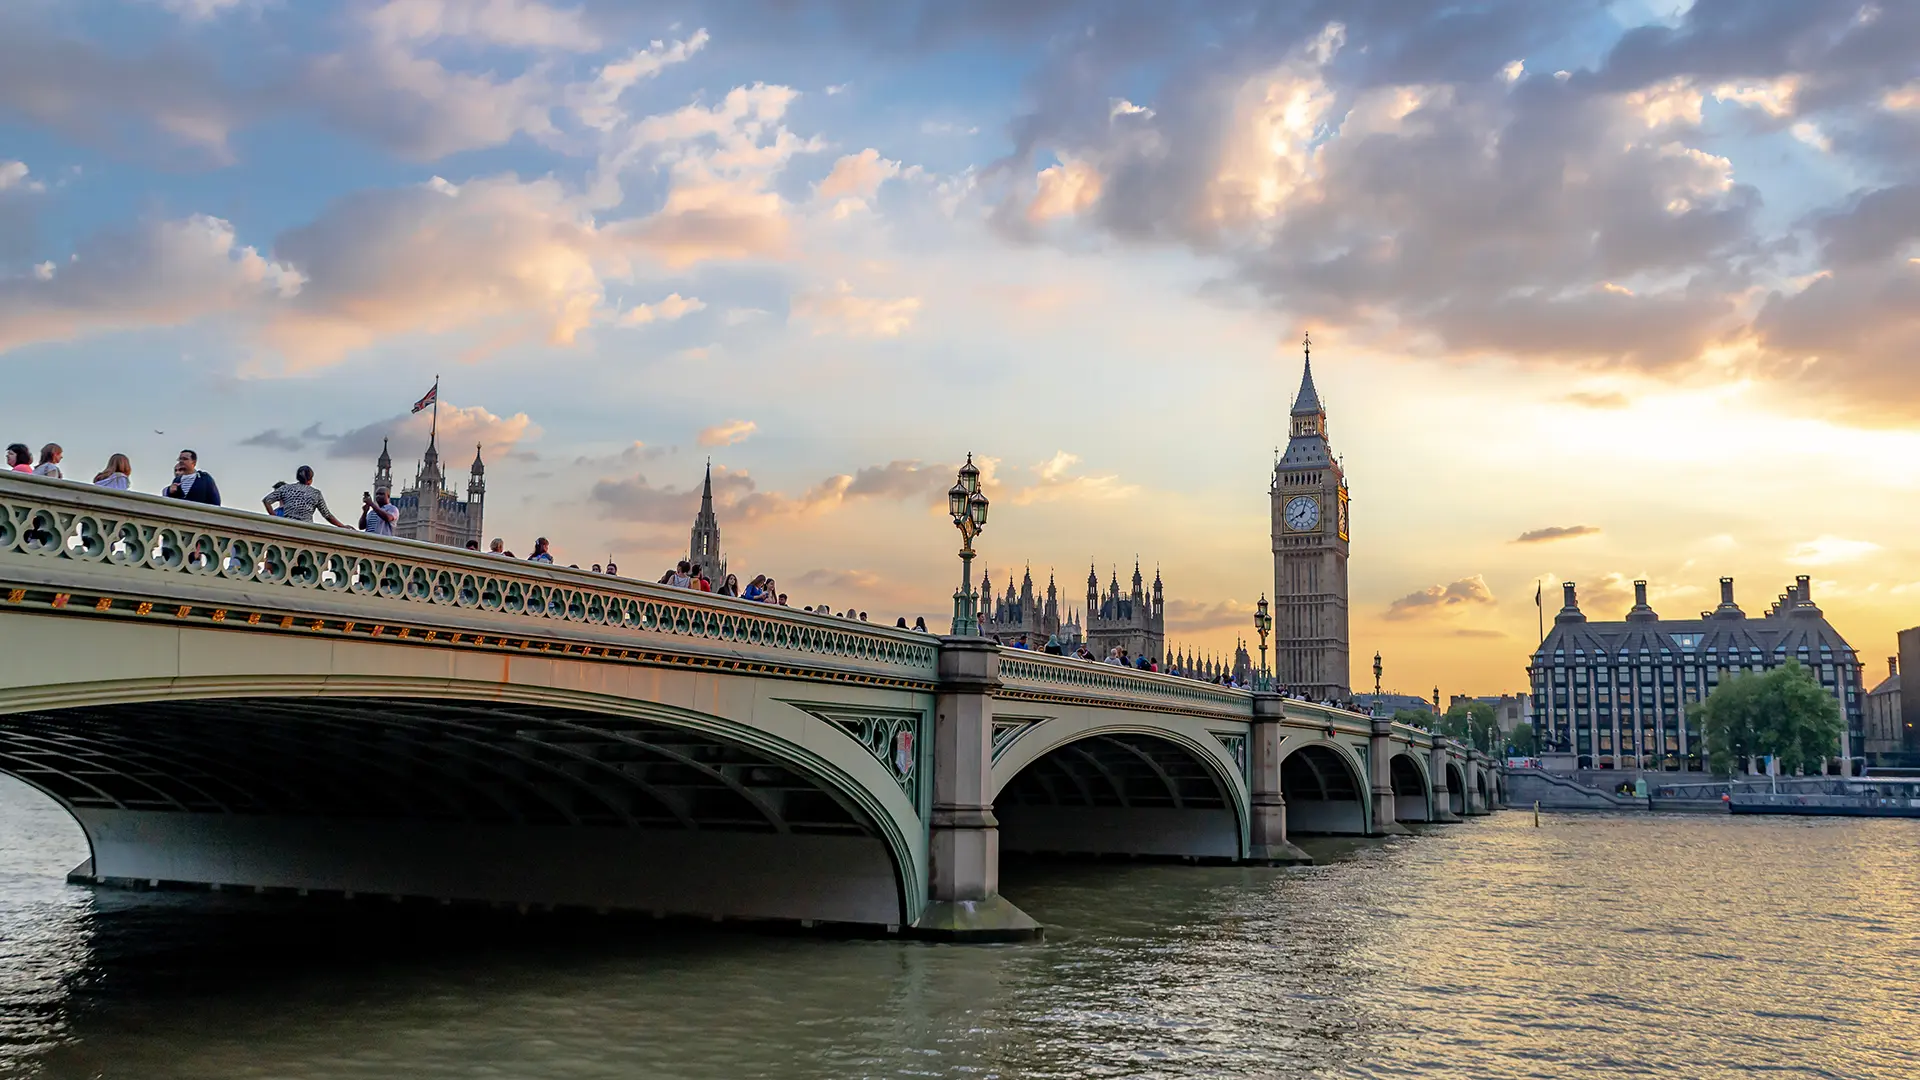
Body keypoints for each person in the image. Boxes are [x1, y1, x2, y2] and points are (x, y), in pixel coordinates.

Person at [262, 466, 347, 527]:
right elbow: (327, 515)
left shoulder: (286, 488)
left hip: (288, 526)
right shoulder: (315, 493)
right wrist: (342, 526)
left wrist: (275, 517)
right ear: (310, 480)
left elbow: (266, 500)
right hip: (306, 528)